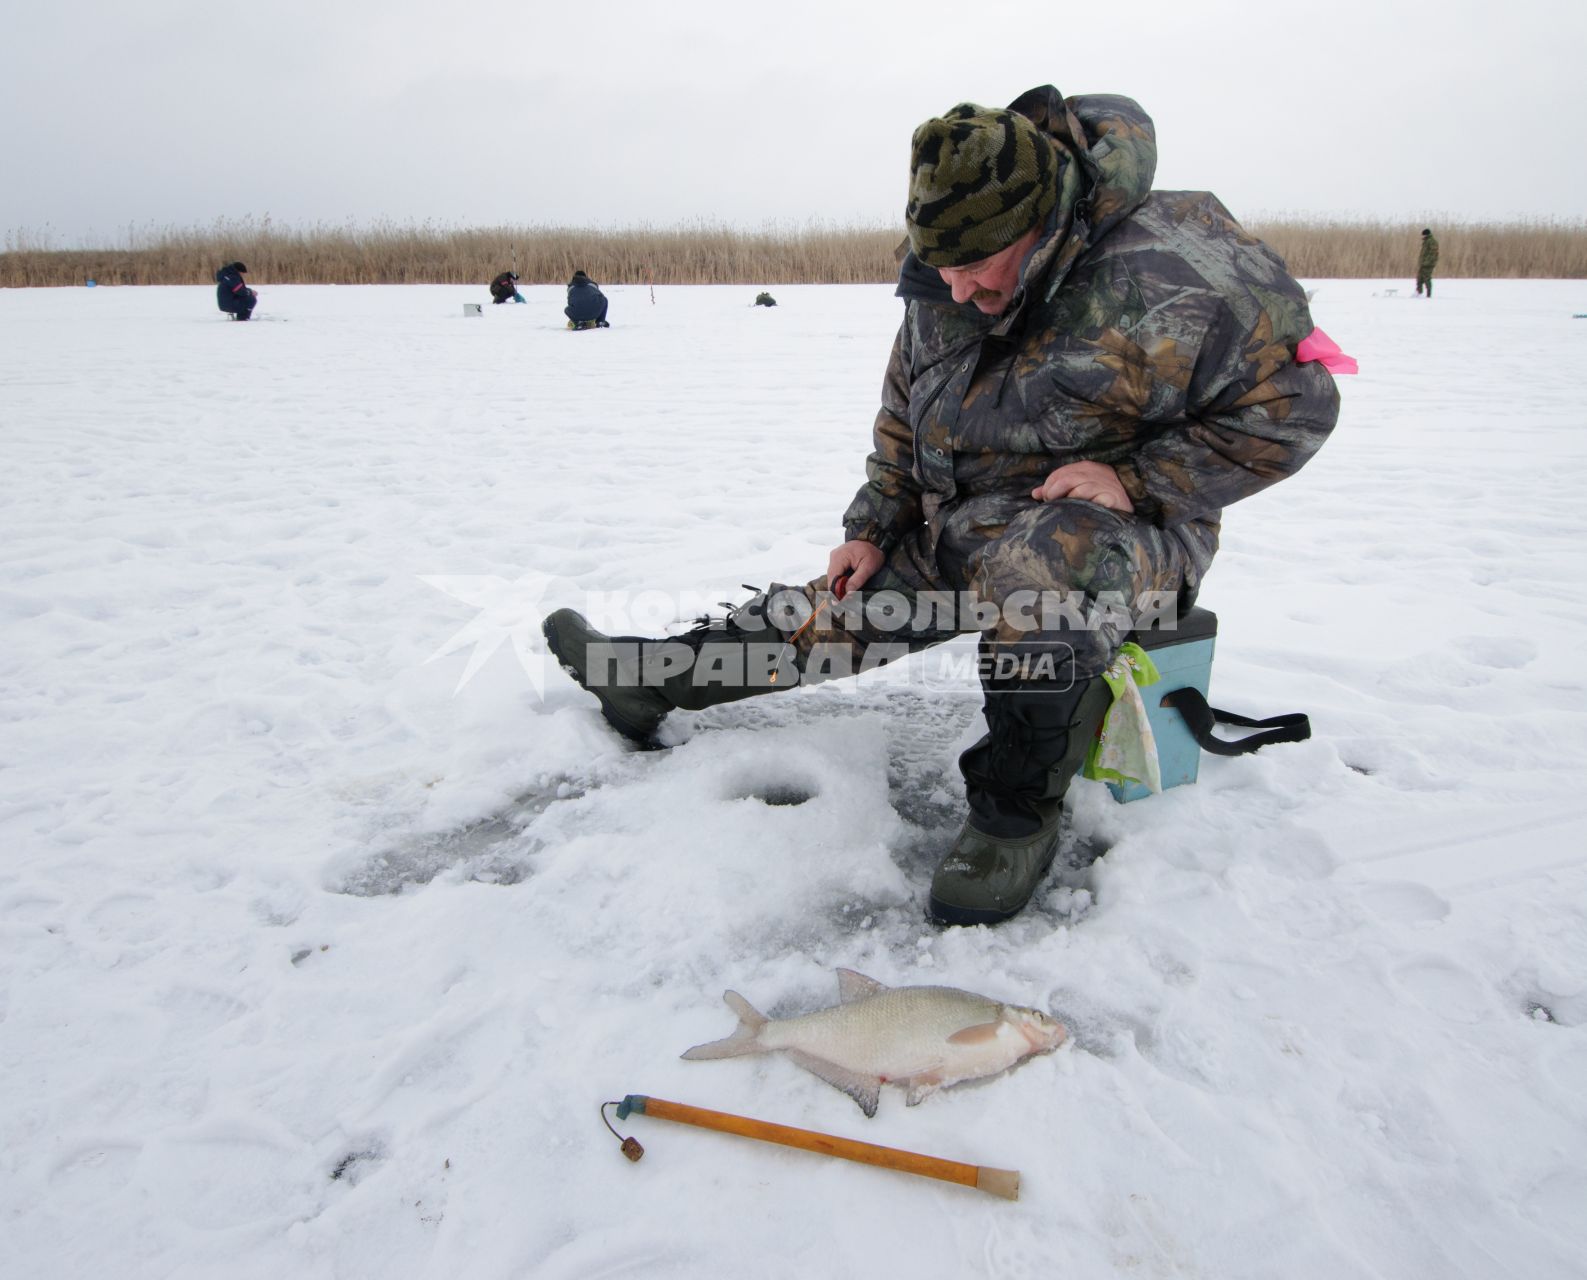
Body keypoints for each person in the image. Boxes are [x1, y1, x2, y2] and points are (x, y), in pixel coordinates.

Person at [542, 85, 1339, 926]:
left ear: (1036, 226)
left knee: (1044, 564)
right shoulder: (946, 270)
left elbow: (1298, 404)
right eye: (942, 270)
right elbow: (905, 405)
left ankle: (1014, 815)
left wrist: (1140, 483)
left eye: (975, 270)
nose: (955, 291)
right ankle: (649, 683)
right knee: (841, 608)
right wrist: (876, 522)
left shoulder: (1183, 262)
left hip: (1115, 540)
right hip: (966, 524)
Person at [1415, 228, 1439, 297]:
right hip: (1423, 264)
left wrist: (1426, 262)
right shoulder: (1426, 241)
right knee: (1419, 278)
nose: (1422, 236)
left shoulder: (1432, 242)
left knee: (1427, 278)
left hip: (1428, 264)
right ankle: (1419, 294)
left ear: (1426, 234)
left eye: (1423, 235)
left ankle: (1428, 295)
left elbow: (1433, 254)